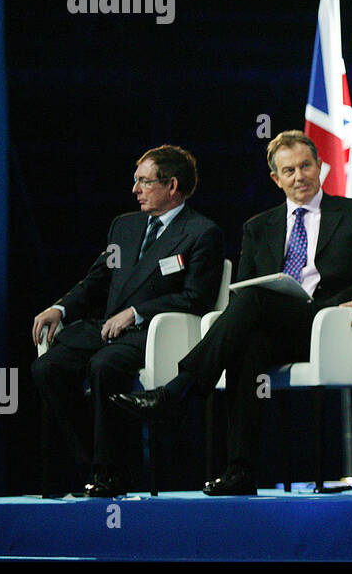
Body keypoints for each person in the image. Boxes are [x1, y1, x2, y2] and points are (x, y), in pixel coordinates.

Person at [112, 130, 352, 495]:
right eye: (288, 171)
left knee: (253, 303)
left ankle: (179, 391)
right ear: (276, 179)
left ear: (320, 167)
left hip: (334, 327)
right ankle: (240, 472)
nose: (299, 176)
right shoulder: (259, 227)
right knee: (249, 342)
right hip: (282, 330)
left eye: (306, 166)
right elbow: (242, 291)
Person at [31, 145, 225, 497]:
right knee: (48, 367)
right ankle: (92, 462)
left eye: (144, 182)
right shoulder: (125, 226)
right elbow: (96, 282)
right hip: (108, 327)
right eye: (135, 181)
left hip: (153, 334)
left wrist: (136, 312)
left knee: (105, 366)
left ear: (172, 185)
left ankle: (110, 473)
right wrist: (61, 308)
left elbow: (196, 298)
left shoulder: (201, 232)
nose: (135, 190)